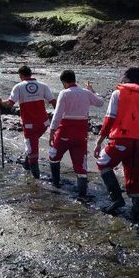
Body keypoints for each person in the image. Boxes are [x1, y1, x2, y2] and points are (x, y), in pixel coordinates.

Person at [93, 67, 139, 220]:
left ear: (126, 78)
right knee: (134, 175)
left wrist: (99, 141)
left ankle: (117, 199)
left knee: (103, 163)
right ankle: (135, 213)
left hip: (121, 140)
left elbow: (109, 119)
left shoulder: (118, 93)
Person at [48, 70, 104, 199]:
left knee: (54, 157)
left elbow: (57, 115)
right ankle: (82, 195)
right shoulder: (86, 92)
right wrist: (92, 90)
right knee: (80, 165)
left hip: (65, 131)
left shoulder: (64, 93)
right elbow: (100, 103)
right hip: (81, 133)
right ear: (74, 79)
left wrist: (52, 132)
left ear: (63, 82)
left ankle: (55, 185)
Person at [0, 66, 56, 179]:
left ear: (20, 76)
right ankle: (26, 165)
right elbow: (53, 102)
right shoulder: (43, 85)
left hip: (29, 124)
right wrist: (58, 119)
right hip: (44, 123)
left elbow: (9, 104)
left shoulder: (18, 87)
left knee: (32, 149)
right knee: (33, 143)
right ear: (31, 74)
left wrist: (0, 101)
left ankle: (36, 180)